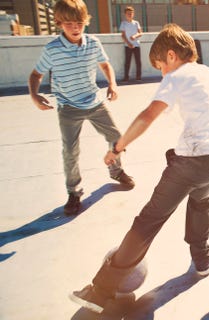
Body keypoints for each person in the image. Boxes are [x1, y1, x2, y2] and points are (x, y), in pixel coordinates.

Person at [69, 23, 209, 313]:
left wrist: (118, 147)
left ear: (172, 56)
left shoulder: (177, 76)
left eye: (161, 66)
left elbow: (148, 115)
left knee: (148, 220)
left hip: (194, 161)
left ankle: (100, 292)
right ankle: (202, 262)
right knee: (201, 200)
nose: (162, 72)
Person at [28, 0, 135, 216]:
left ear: (85, 21)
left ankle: (116, 171)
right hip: (68, 107)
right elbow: (36, 75)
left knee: (117, 137)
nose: (75, 27)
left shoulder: (93, 43)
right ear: (59, 23)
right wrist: (34, 95)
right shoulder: (52, 49)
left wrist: (112, 84)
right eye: (68, 23)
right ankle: (74, 192)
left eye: (79, 22)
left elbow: (105, 65)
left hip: (94, 102)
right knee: (70, 151)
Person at [120, 6, 142, 82]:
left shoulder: (136, 23)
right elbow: (123, 35)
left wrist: (135, 36)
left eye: (131, 13)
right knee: (127, 62)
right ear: (125, 14)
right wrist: (128, 43)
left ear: (133, 14)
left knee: (138, 61)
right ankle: (126, 77)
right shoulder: (123, 23)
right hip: (127, 46)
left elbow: (140, 33)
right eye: (128, 13)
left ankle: (138, 77)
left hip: (136, 45)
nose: (130, 15)